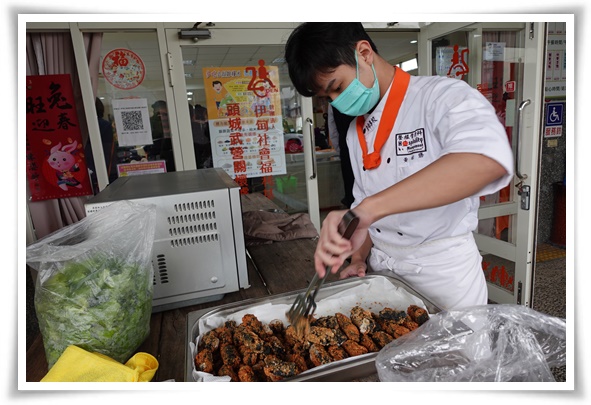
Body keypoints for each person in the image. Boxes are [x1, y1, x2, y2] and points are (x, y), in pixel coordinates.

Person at [284, 23, 514, 310]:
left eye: (337, 88)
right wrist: (358, 256)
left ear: (364, 53)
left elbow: (485, 160)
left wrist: (368, 210)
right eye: (327, 97)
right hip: (385, 275)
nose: (336, 102)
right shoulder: (357, 131)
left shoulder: (442, 96)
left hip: (443, 277)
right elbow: (367, 207)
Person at [327, 104, 355, 208]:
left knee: (350, 186)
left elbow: (333, 132)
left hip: (346, 150)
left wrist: (342, 151)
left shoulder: (334, 104)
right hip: (371, 149)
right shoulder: (366, 97)